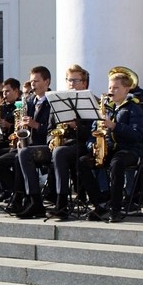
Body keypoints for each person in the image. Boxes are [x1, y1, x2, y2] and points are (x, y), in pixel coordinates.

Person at [76, 71, 143, 223]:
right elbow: (92, 133)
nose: (110, 91)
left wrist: (114, 126)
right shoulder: (105, 108)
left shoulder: (134, 108)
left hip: (129, 150)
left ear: (126, 90)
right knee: (82, 162)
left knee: (117, 163)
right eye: (110, 87)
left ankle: (116, 209)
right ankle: (99, 204)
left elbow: (137, 134)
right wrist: (92, 146)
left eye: (115, 88)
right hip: (108, 149)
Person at [0, 67, 51, 214]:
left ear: (47, 82)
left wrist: (34, 125)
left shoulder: (52, 101)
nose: (33, 85)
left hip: (43, 146)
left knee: (19, 158)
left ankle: (20, 198)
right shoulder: (29, 101)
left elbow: (52, 130)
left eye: (36, 81)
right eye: (31, 81)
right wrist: (19, 129)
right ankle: (21, 194)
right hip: (27, 145)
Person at [45, 64, 94, 218]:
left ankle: (62, 204)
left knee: (59, 153)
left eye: (75, 80)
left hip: (82, 145)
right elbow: (49, 129)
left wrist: (77, 125)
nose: (71, 83)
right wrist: (51, 140)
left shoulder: (91, 101)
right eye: (69, 80)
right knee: (25, 153)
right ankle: (31, 199)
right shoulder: (58, 102)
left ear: (84, 83)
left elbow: (92, 133)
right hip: (61, 144)